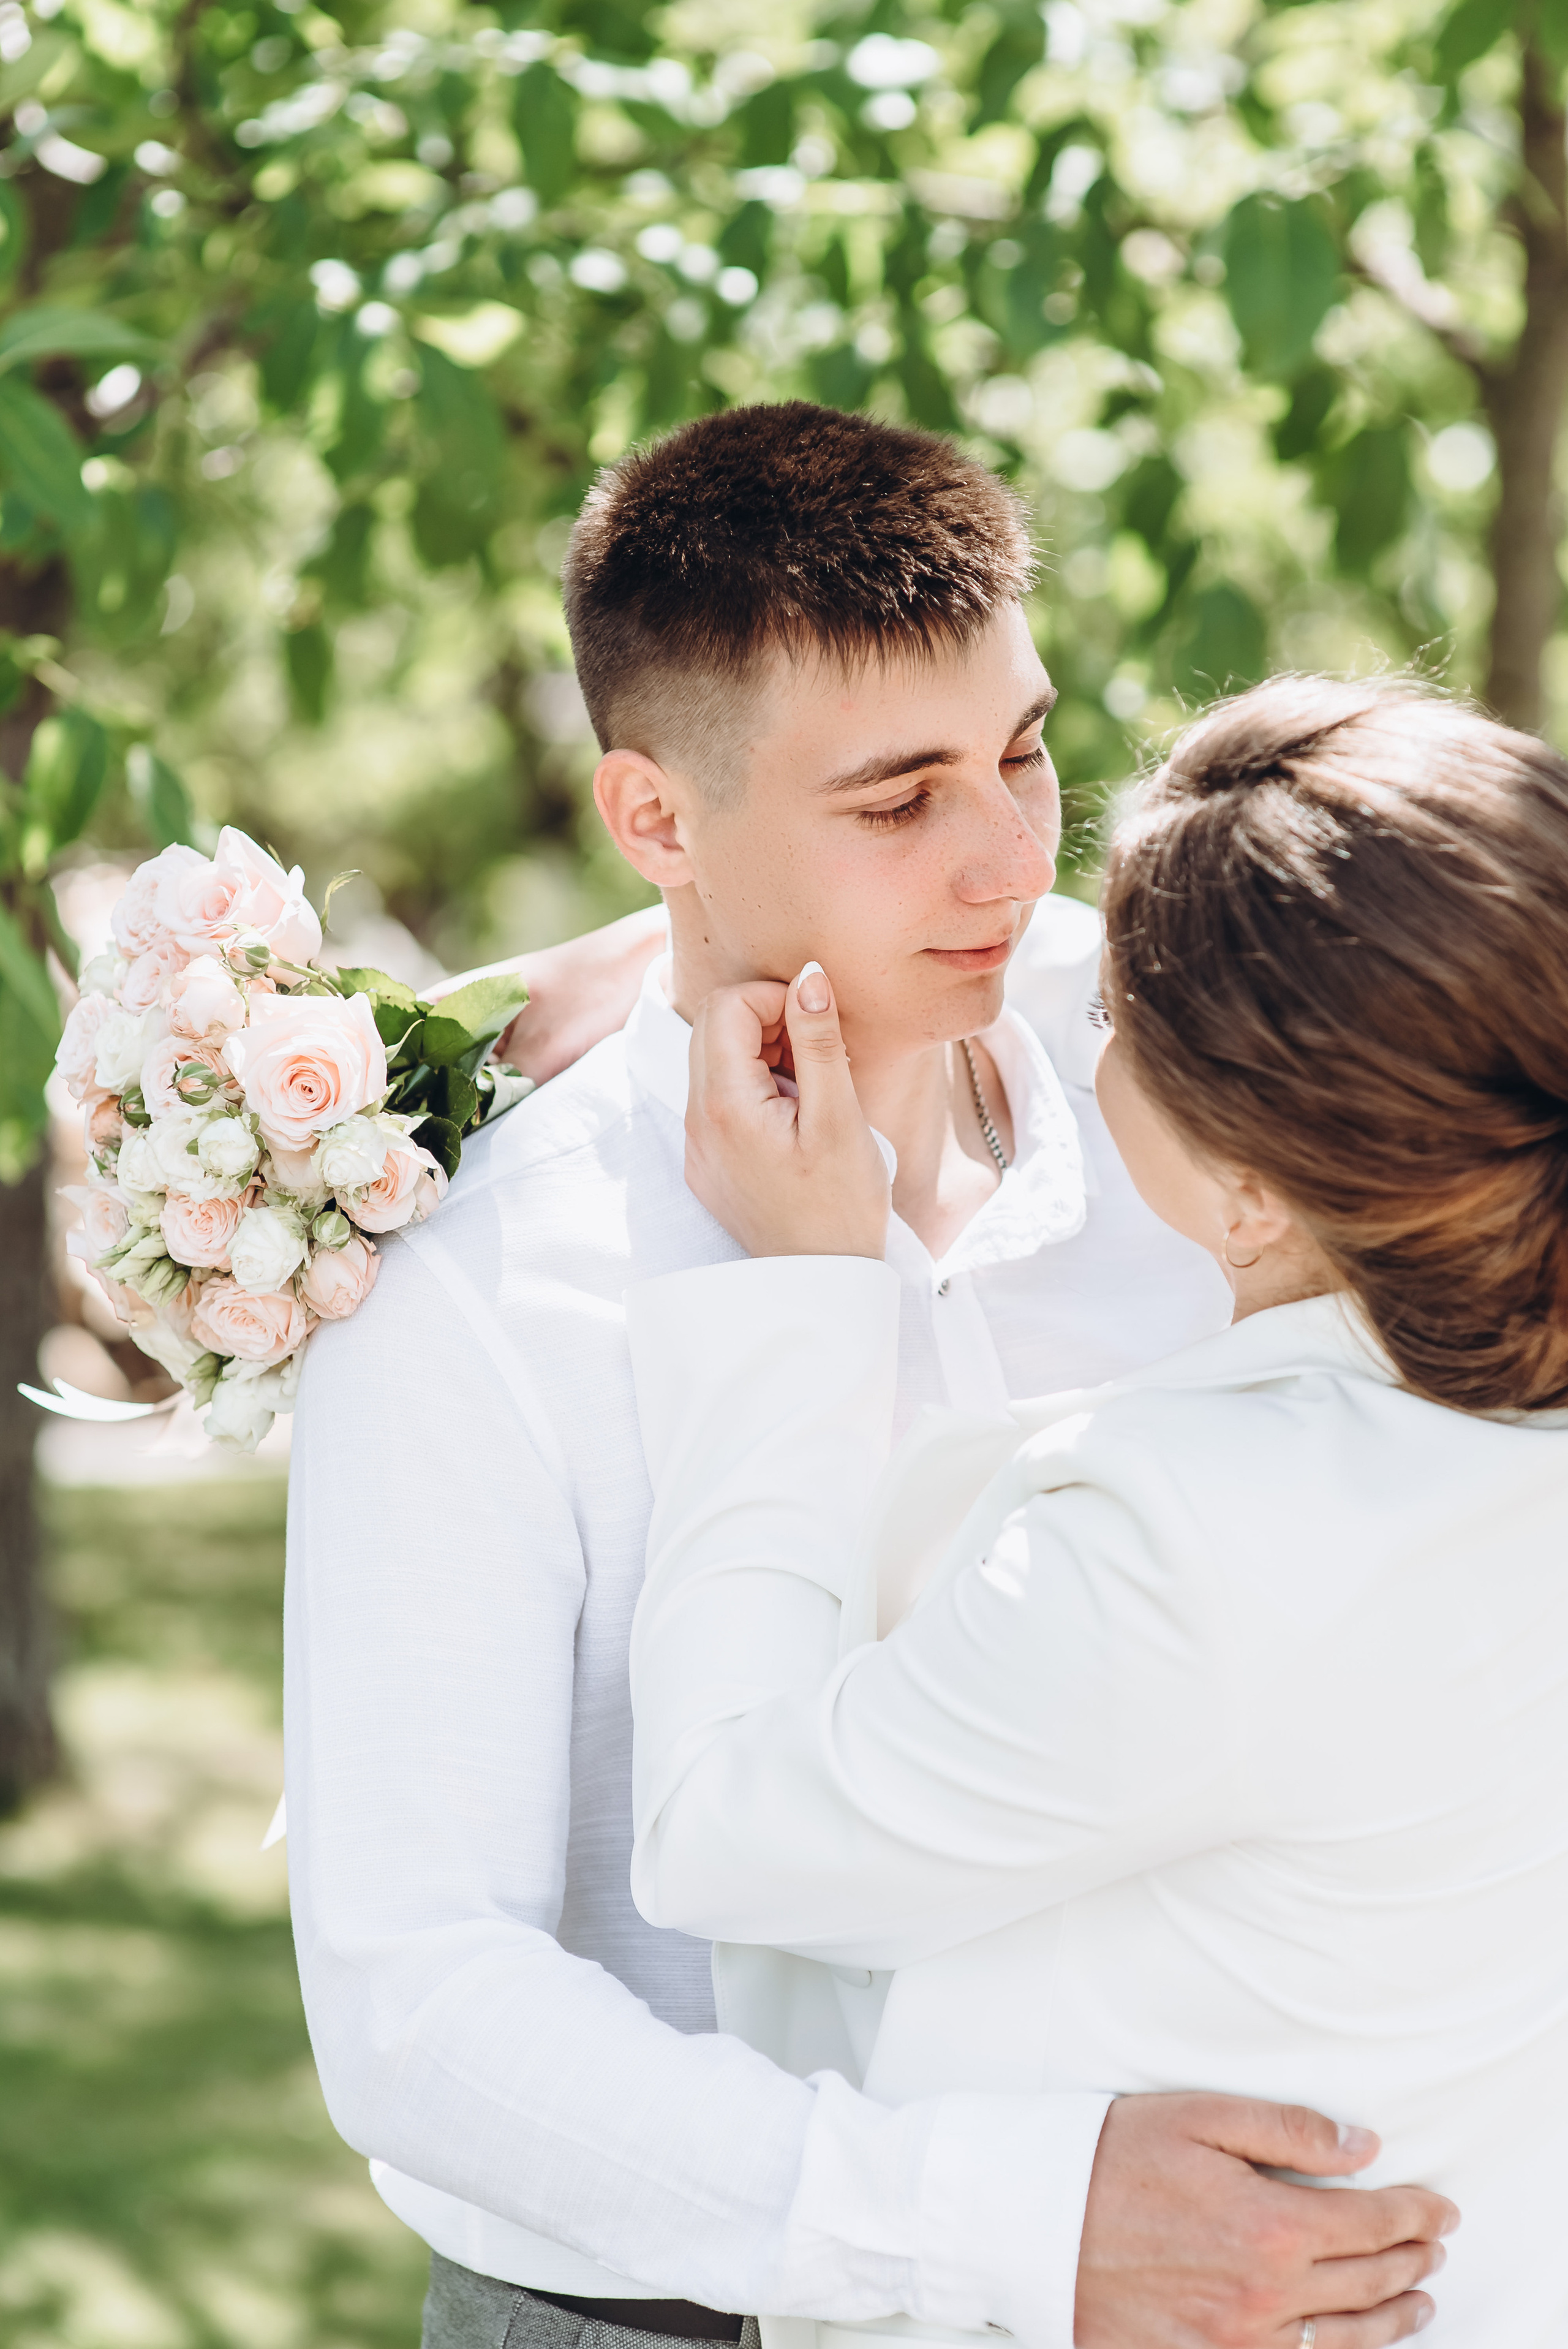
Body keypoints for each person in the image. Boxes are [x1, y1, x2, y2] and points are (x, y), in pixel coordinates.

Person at [285, 407, 1452, 2349]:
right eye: (898, 802)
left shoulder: (1189, 1079)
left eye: (1025, 751)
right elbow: (419, 2006)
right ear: (657, 821)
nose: (1008, 856)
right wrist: (1003, 2228)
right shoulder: (473, 1290)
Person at [622, 677, 1568, 2349]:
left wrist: (806, 1298)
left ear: (1254, 1182)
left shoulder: (1188, 1544)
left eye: (1121, 1008)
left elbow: (719, 1830)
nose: (1080, 1025)